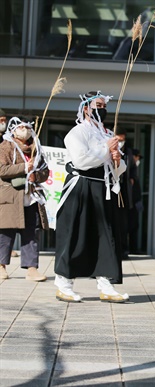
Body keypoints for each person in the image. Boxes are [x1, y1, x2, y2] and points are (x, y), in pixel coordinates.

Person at [53, 91, 129, 303]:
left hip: (104, 188)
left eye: (104, 105)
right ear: (86, 108)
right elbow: (81, 161)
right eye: (98, 105)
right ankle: (64, 283)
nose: (102, 109)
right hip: (82, 186)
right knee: (75, 234)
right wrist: (106, 149)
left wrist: (116, 159)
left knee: (107, 236)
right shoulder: (77, 133)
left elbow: (120, 168)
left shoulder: (107, 133)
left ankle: (106, 284)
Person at [0, 117, 49, 281]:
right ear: (13, 129)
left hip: (32, 197)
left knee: (32, 232)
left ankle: (32, 268)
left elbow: (45, 171)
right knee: (5, 232)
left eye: (27, 127)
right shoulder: (5, 146)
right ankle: (1, 266)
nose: (25, 129)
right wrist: (23, 167)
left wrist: (37, 175)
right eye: (21, 126)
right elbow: (2, 169)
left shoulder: (36, 148)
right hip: (11, 197)